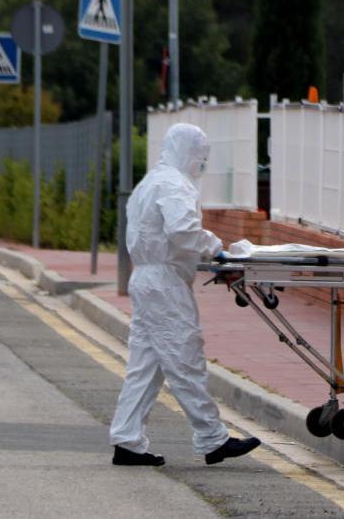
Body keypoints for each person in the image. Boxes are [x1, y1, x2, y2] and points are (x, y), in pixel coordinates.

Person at [109, 123, 260, 466]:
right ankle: (212, 439)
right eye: (200, 157)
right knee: (185, 357)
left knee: (145, 366)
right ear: (188, 153)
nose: (201, 165)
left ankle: (127, 440)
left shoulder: (150, 182)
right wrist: (216, 249)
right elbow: (181, 231)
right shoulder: (175, 185)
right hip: (164, 283)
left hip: (146, 278)